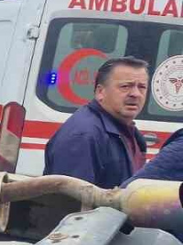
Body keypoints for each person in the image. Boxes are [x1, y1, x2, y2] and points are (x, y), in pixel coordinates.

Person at [43, 57, 149, 188]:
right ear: (100, 92)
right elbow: (71, 202)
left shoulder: (126, 130)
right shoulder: (83, 136)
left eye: (142, 87)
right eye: (125, 86)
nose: (136, 94)